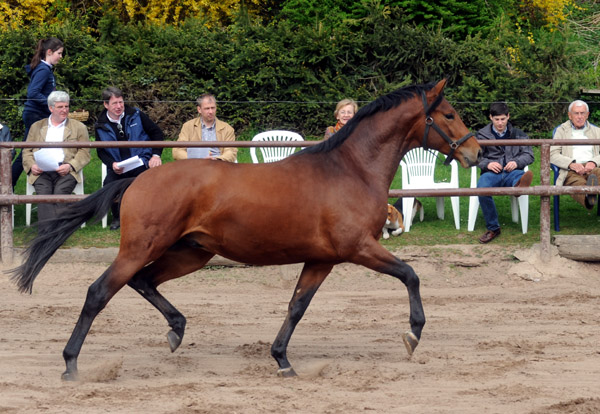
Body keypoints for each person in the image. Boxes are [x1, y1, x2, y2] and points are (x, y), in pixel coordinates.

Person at [95, 86, 164, 230]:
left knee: (147, 183)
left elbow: (157, 134)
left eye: (121, 102)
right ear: (106, 105)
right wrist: (112, 164)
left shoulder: (137, 115)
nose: (119, 106)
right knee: (109, 185)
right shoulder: (100, 125)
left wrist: (155, 155)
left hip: (141, 162)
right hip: (118, 167)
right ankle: (118, 217)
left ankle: (145, 217)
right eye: (114, 103)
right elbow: (100, 151)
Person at [21, 91, 90, 232]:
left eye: (66, 106)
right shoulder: (37, 126)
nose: (64, 110)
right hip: (41, 170)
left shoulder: (79, 127)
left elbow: (84, 152)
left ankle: (58, 231)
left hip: (66, 170)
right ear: (51, 108)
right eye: (60, 107)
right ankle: (48, 232)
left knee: (60, 192)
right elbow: (26, 151)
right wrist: (31, 166)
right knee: (44, 193)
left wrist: (71, 166)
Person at [475, 102, 534, 244]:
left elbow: (529, 155)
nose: (500, 123)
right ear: (490, 118)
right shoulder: (481, 135)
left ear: (508, 116)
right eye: (497, 119)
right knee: (482, 189)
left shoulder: (519, 134)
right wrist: (487, 163)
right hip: (490, 173)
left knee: (519, 176)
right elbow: (475, 157)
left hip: (512, 172)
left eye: (503, 119)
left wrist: (517, 162)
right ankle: (493, 228)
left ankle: (519, 186)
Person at [13, 37, 65, 189]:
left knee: (31, 149)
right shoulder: (43, 70)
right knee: (27, 150)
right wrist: (52, 104)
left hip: (37, 114)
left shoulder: (45, 69)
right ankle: (8, 183)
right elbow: (33, 93)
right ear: (49, 52)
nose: (61, 57)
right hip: (35, 115)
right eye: (59, 53)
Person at [550, 99, 600, 210]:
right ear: (570, 115)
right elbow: (553, 154)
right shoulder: (561, 131)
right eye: (576, 113)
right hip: (570, 170)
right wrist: (571, 164)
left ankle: (590, 189)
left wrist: (593, 162)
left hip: (593, 167)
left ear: (587, 115)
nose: (579, 116)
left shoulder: (597, 131)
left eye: (582, 113)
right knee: (577, 183)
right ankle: (588, 197)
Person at [173, 94, 237, 162]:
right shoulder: (188, 126)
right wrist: (196, 160)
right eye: (207, 108)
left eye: (213, 108)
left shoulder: (227, 128)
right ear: (199, 109)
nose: (211, 112)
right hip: (194, 165)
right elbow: (177, 151)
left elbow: (231, 152)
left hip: (218, 165)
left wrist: (217, 159)